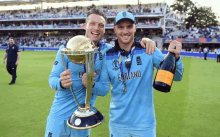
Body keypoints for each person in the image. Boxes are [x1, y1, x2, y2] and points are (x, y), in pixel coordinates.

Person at [45, 9, 156, 137]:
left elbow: (103, 90)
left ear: (104, 29)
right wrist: (61, 83)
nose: (96, 28)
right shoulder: (68, 49)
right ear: (85, 25)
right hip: (59, 117)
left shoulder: (107, 52)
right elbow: (52, 79)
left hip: (83, 120)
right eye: (92, 23)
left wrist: (146, 41)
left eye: (101, 25)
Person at [91, 11, 184, 137]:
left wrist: (176, 57)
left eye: (129, 26)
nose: (125, 31)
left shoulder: (149, 50)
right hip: (118, 125)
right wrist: (91, 84)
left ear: (135, 28)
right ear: (115, 29)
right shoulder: (108, 56)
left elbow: (177, 76)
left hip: (144, 126)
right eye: (121, 27)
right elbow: (103, 90)